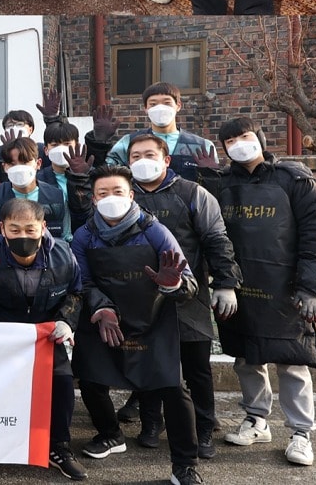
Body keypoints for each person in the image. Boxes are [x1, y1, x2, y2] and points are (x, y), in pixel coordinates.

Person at [70, 166, 203, 485]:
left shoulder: (155, 231)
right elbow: (82, 282)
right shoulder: (84, 235)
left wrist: (173, 285)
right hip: (104, 319)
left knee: (173, 388)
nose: (110, 199)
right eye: (103, 194)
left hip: (152, 319)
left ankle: (184, 465)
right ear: (93, 199)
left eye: (117, 192)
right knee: (90, 379)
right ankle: (110, 433)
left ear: (131, 195)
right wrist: (101, 307)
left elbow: (189, 284)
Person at [211, 117, 316, 467]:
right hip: (239, 286)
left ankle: (300, 432)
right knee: (248, 356)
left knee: (291, 360)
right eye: (230, 140)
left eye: (244, 136)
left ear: (260, 139)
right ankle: (256, 419)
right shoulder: (222, 183)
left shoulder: (293, 179)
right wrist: (221, 281)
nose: (238, 144)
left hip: (285, 287)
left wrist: (311, 287)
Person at [123, 133, 241, 458]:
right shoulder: (124, 197)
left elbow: (217, 240)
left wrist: (226, 282)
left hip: (190, 295)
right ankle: (150, 424)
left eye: (149, 154)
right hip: (142, 297)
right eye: (135, 157)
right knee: (148, 363)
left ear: (166, 160)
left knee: (196, 369)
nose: (142, 161)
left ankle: (203, 430)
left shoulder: (192, 194)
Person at [0, 199, 87, 481]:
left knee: (61, 382)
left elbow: (76, 292)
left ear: (43, 227)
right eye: (14, 229)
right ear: (2, 228)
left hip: (43, 335)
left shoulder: (63, 255)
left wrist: (66, 320)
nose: (22, 236)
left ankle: (58, 446)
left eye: (30, 229)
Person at [87, 82, 219, 183]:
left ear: (178, 106)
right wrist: (98, 144)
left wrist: (211, 174)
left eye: (167, 103)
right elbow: (103, 174)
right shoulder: (129, 142)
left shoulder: (202, 146)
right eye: (153, 104)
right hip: (140, 211)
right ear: (145, 108)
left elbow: (213, 187)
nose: (160, 108)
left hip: (188, 214)